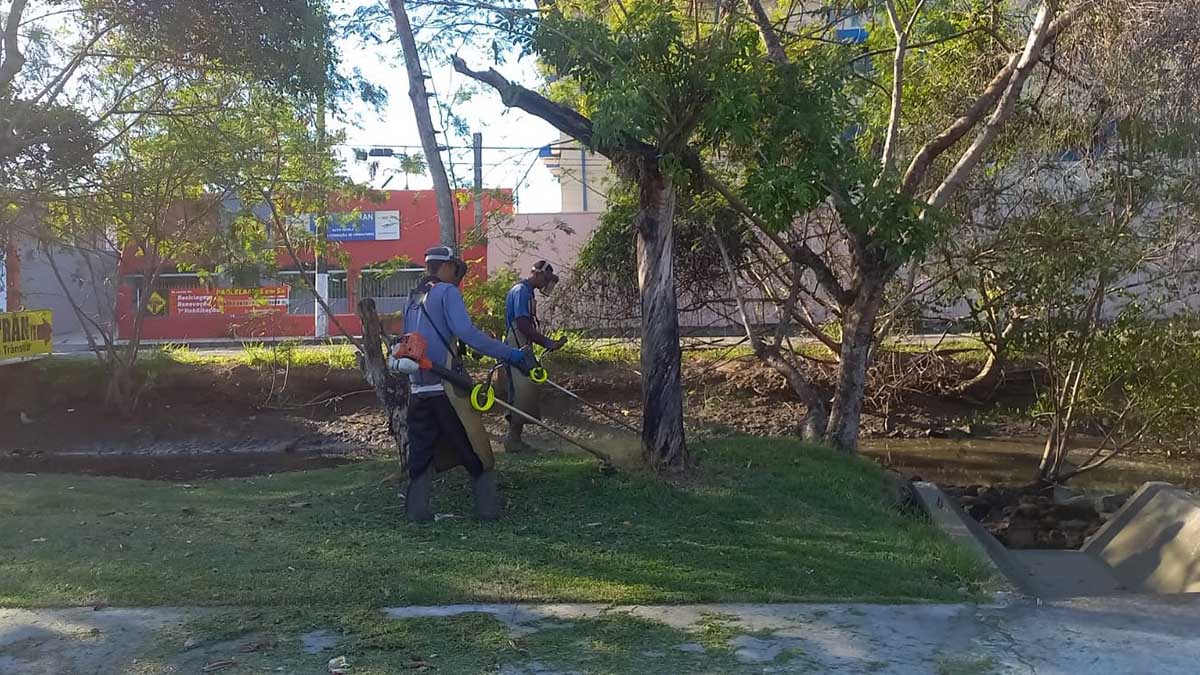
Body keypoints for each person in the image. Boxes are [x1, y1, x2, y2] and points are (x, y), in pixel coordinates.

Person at [398, 245, 538, 523]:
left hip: (418, 390)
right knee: (477, 449)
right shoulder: (447, 292)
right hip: (446, 389)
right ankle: (487, 512)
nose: (456, 275)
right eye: (455, 269)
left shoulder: (412, 299)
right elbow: (467, 333)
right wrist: (512, 355)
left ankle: (417, 512)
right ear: (447, 267)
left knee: (422, 453)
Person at [501, 260, 566, 453]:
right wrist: (547, 342)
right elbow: (522, 324)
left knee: (527, 389)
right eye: (546, 278)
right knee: (521, 390)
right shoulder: (520, 291)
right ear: (536, 274)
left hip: (523, 343)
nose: (547, 284)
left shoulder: (528, 293)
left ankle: (515, 439)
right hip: (515, 344)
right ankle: (512, 440)